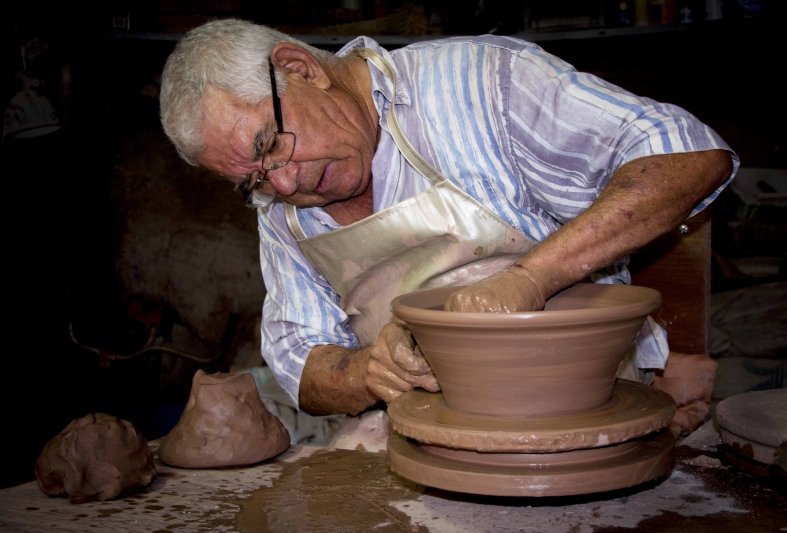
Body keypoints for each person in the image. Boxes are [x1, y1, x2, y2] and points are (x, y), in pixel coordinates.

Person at [159, 19, 737, 438]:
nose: (282, 186)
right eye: (254, 179)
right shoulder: (281, 206)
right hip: (428, 426)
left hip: (583, 403)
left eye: (271, 145)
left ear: (300, 68)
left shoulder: (481, 83)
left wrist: (530, 280)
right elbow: (297, 365)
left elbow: (687, 153)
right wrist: (368, 370)